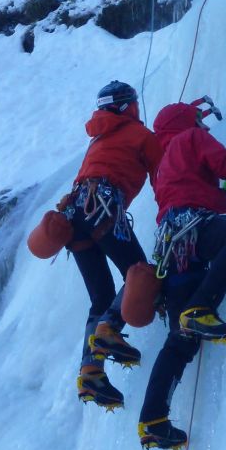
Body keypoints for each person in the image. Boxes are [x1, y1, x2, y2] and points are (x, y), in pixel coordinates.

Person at [136, 99, 226, 450]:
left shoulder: (161, 166)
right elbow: (225, 165)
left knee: (181, 339)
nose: (204, 125)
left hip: (173, 250)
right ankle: (200, 307)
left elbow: (194, 184)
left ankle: (153, 419)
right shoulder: (191, 139)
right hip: (195, 229)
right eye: (199, 119)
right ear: (187, 122)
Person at [65, 81, 164, 410]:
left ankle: (91, 371)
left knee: (101, 298)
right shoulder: (141, 136)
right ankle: (110, 329)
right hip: (103, 209)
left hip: (75, 216)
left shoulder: (97, 140)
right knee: (141, 272)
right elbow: (165, 176)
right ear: (128, 106)